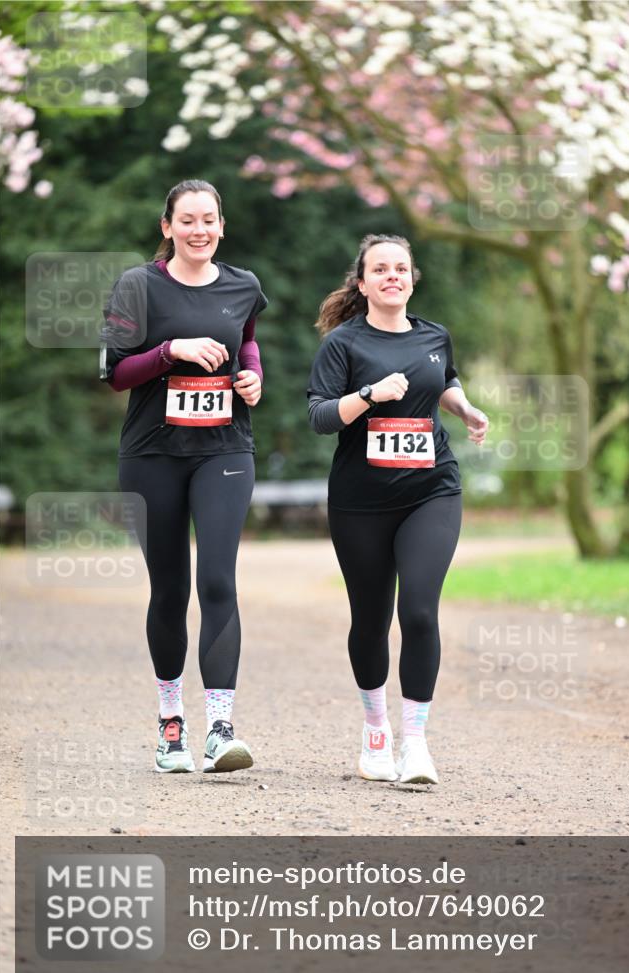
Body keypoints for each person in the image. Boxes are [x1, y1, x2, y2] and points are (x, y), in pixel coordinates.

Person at [100, 179, 267, 775]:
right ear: (167, 227)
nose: (200, 230)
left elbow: (247, 342)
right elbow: (115, 372)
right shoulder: (138, 286)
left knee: (218, 581)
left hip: (225, 449)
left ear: (222, 225)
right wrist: (172, 350)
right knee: (170, 590)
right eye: (187, 220)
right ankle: (171, 725)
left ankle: (220, 729)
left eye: (209, 220)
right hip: (153, 455)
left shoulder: (243, 286)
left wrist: (253, 376)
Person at [308, 234, 488, 784]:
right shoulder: (343, 344)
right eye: (381, 269)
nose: (393, 276)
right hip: (360, 502)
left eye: (401, 268)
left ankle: (416, 743)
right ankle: (376, 732)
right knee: (370, 620)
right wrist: (369, 396)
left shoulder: (434, 336)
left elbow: (444, 379)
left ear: (412, 279)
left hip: (431, 490)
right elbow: (319, 416)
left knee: (419, 611)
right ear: (362, 283)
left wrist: (464, 408)